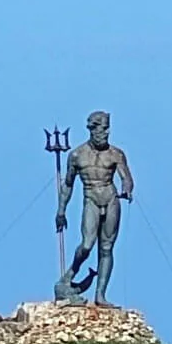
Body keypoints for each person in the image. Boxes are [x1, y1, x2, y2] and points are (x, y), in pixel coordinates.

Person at [55, 110, 134, 307]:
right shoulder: (77, 155)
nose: (106, 133)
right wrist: (61, 210)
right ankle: (68, 276)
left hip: (110, 198)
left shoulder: (116, 154)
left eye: (107, 128)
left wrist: (127, 188)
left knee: (106, 248)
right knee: (87, 244)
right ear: (92, 129)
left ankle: (100, 295)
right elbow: (68, 184)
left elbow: (127, 178)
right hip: (90, 198)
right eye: (102, 128)